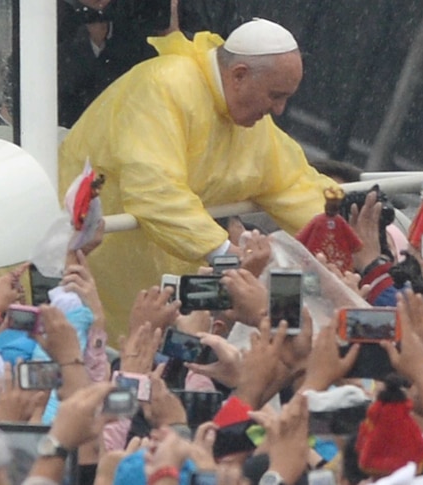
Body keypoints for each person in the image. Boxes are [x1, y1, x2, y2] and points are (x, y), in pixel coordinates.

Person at [58, 18, 334, 336]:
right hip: (90, 278)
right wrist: (225, 253)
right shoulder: (163, 85)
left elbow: (294, 185)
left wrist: (344, 239)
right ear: (239, 75)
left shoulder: (249, 120)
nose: (280, 110)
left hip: (161, 299)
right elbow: (154, 190)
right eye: (275, 96)